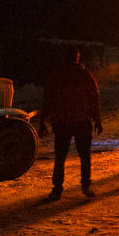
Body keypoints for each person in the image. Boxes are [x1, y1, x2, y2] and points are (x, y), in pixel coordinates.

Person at [38, 45, 103, 200]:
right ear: (77, 57)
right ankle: (85, 186)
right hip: (81, 121)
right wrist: (97, 120)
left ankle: (57, 189)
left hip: (62, 122)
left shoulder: (57, 75)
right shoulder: (85, 75)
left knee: (60, 157)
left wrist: (43, 121)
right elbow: (94, 99)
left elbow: (47, 99)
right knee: (84, 156)